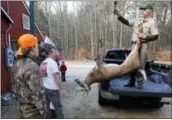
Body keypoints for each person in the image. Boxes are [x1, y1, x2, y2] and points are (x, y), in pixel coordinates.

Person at [114, 4, 159, 89]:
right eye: (143, 9)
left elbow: (155, 36)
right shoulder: (138, 20)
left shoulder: (152, 22)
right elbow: (127, 22)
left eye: (144, 9)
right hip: (134, 45)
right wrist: (118, 15)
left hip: (143, 45)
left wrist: (144, 36)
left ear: (149, 11)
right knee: (132, 64)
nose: (143, 11)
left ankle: (140, 84)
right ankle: (131, 82)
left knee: (140, 65)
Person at [11, 34, 45, 118]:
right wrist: (43, 113)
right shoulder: (32, 67)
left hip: (21, 110)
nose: (38, 49)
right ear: (32, 49)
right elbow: (37, 95)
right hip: (33, 113)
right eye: (36, 47)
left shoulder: (16, 65)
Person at [40, 47, 66, 119]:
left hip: (45, 87)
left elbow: (41, 75)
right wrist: (62, 89)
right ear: (51, 52)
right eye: (55, 52)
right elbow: (56, 77)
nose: (56, 53)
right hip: (53, 89)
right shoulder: (53, 63)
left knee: (47, 106)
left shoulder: (43, 63)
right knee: (58, 107)